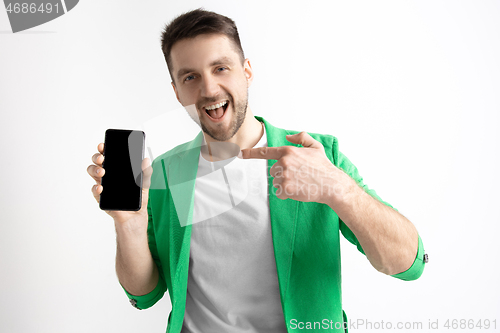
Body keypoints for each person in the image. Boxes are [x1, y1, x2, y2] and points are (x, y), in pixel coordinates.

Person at [87, 8, 427, 333]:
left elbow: (407, 264)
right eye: (190, 77)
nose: (208, 90)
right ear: (177, 92)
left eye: (220, 68)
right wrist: (129, 225)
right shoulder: (162, 173)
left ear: (246, 71)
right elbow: (144, 295)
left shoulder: (317, 156)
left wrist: (337, 187)